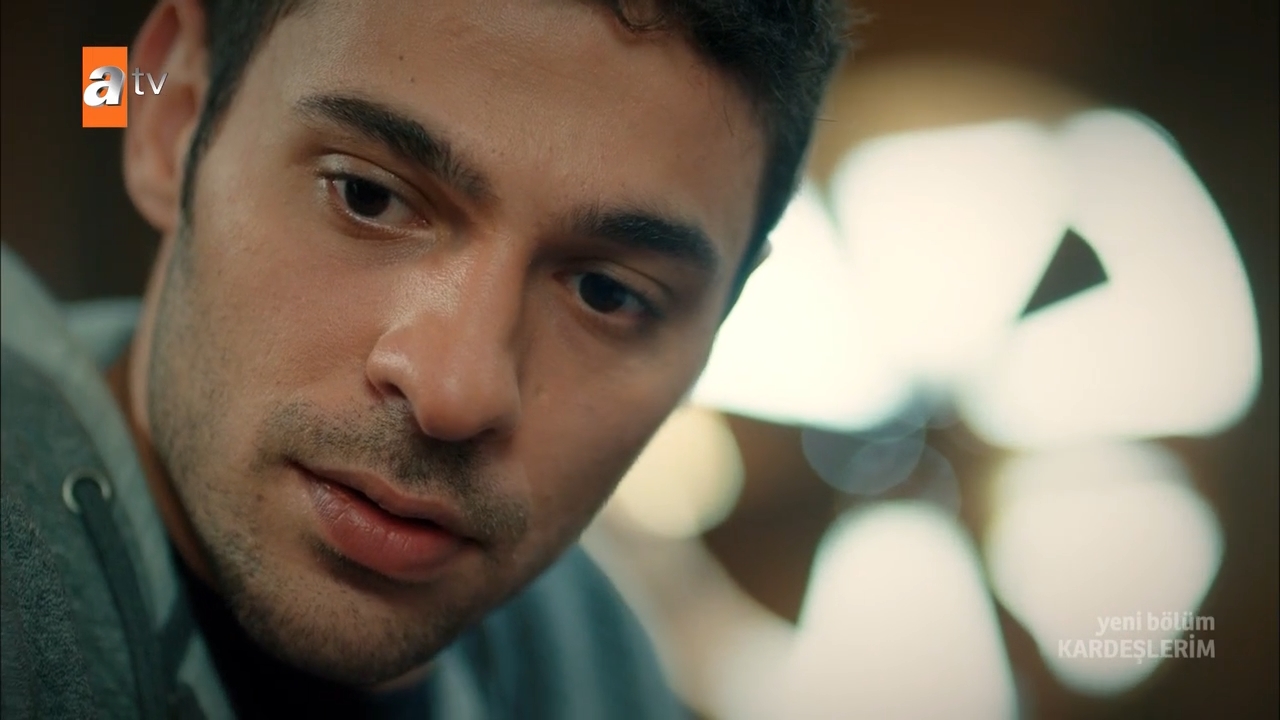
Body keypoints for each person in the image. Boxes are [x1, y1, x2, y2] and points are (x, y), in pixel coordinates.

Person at [0, 0, 850, 717]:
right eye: (367, 196)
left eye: (606, 293)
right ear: (174, 117)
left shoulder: (593, 664)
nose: (455, 392)